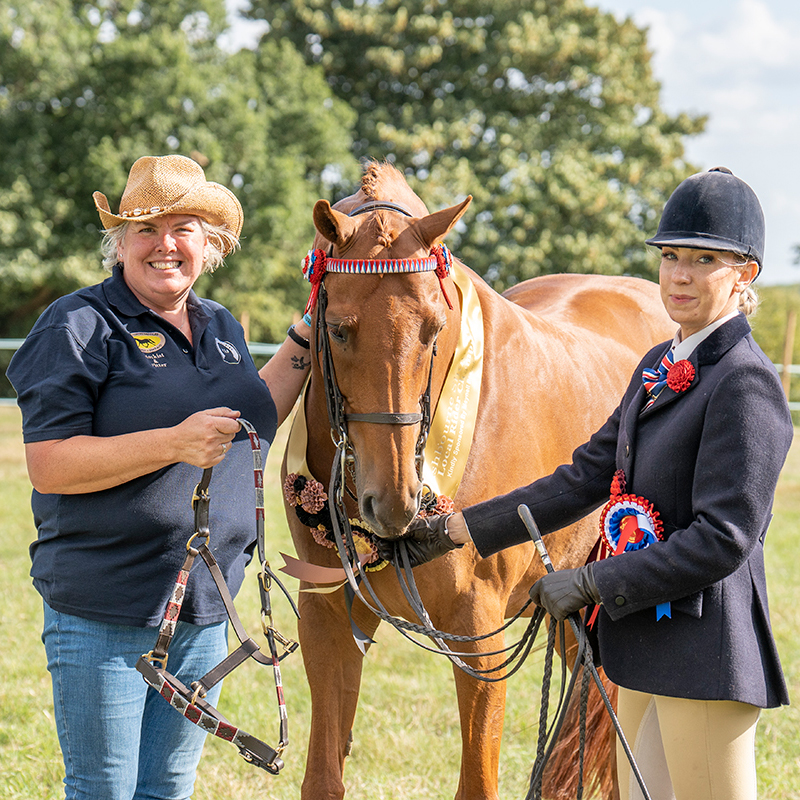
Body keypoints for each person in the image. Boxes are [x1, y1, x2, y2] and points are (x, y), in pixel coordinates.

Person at [382, 167, 792, 800]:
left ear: (744, 275)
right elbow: (581, 479)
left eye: (704, 260)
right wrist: (457, 531)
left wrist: (593, 582)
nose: (679, 275)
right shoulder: (659, 363)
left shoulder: (745, 381)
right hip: (641, 644)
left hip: (706, 652)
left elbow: (724, 538)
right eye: (671, 256)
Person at [6, 154, 313, 800]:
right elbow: (50, 463)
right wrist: (172, 443)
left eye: (183, 228)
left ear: (210, 244)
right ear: (119, 242)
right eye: (145, 228)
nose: (165, 244)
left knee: (168, 788)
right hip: (105, 616)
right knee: (104, 791)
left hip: (206, 614)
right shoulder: (77, 326)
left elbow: (257, 415)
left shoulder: (222, 327)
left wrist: (310, 333)